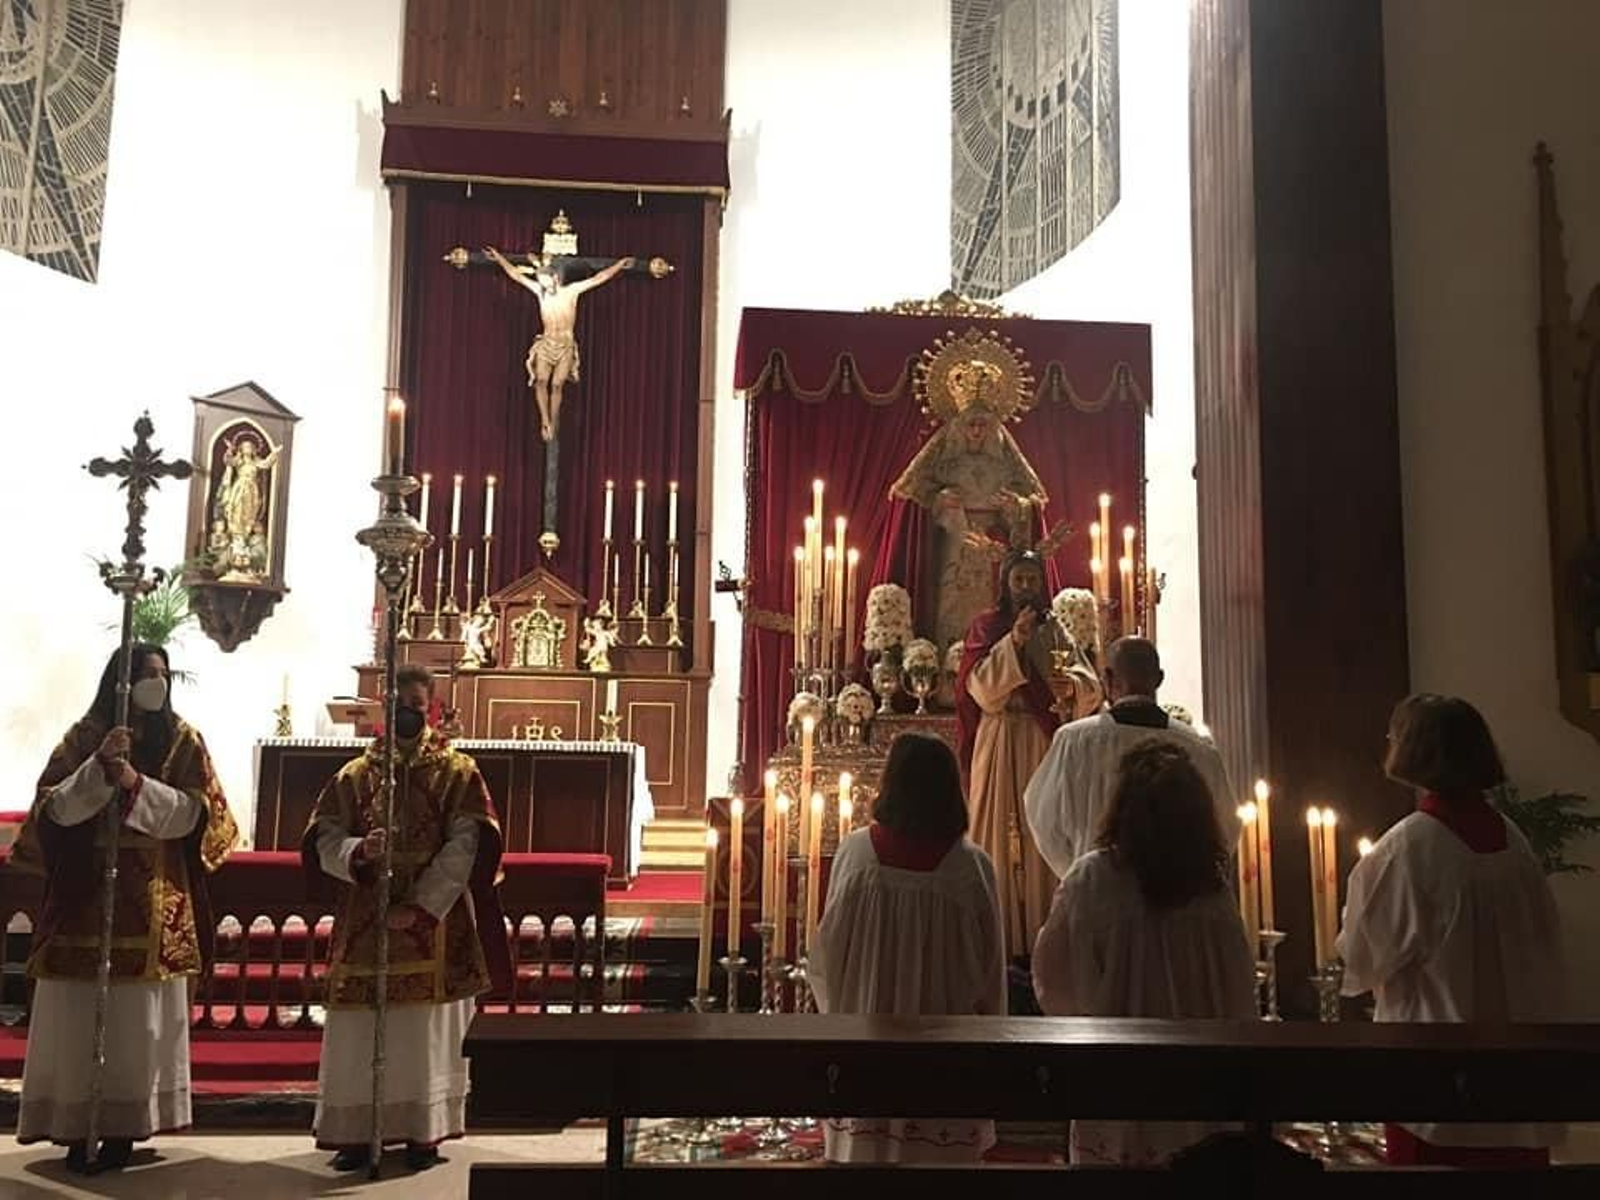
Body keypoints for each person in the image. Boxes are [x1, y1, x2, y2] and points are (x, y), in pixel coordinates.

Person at [12, 643, 238, 1171]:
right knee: (77, 1013)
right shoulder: (84, 737)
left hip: (154, 900)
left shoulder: (182, 740)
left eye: (162, 674)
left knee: (137, 1025)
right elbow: (52, 810)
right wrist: (97, 771)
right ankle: (72, 1123)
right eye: (144, 674)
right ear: (119, 680)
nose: (155, 683)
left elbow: (195, 817)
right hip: (84, 899)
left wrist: (135, 785)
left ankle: (125, 1127)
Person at [1337, 694, 1566, 1167]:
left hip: (1437, 1079)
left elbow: (1362, 957)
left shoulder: (1410, 847)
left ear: (1413, 750)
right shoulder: (1513, 839)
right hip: (1519, 1072)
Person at [304, 663, 511, 1172]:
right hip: (366, 914)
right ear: (383, 704)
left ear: (432, 708)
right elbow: (324, 838)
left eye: (418, 708)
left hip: (432, 920)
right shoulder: (354, 776)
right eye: (400, 706)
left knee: (425, 1029)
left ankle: (424, 1129)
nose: (409, 715)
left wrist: (422, 905)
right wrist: (357, 852)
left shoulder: (457, 771)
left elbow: (468, 842)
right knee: (360, 1025)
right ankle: (355, 1130)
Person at [1033, 740, 1256, 1165]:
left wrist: (1091, 1015)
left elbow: (1052, 979)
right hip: (1198, 1085)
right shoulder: (1211, 890)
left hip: (1117, 1080)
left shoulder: (1092, 879)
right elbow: (1237, 989)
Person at [809, 733, 1005, 1163]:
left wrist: (843, 1016)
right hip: (947, 1054)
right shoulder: (971, 865)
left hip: (867, 1047)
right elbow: (991, 971)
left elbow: (826, 958)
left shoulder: (856, 853)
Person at [1024, 636, 1238, 879]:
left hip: (1097, 895)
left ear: (1107, 678)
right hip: (1175, 900)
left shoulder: (1073, 742)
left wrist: (1076, 873)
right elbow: (1225, 827)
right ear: (1159, 679)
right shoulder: (1197, 748)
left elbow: (1042, 817)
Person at [954, 549, 1063, 958]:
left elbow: (1086, 685)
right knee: (996, 831)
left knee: (1040, 832)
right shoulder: (987, 627)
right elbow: (980, 689)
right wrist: (1015, 641)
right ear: (1005, 584)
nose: (1025, 587)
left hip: (1038, 739)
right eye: (1018, 579)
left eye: (1032, 580)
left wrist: (1069, 688)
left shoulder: (1056, 632)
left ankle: (1041, 938)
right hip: (998, 736)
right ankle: (995, 940)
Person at [484, 245, 635, 442]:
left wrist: (619, 265)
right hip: (546, 344)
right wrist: (499, 258)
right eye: (542, 283)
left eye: (547, 282)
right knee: (540, 381)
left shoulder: (571, 292)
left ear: (555, 278)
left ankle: (553, 421)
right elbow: (516, 276)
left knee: (556, 385)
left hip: (565, 346)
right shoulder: (540, 292)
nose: (545, 287)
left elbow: (598, 278)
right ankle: (544, 420)